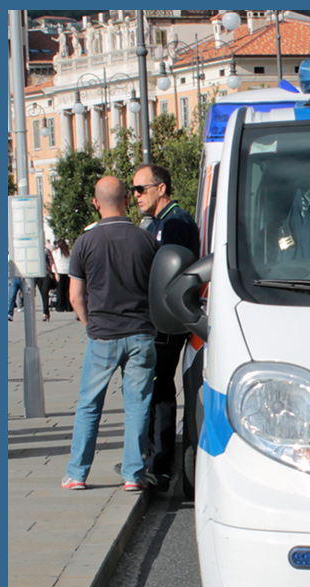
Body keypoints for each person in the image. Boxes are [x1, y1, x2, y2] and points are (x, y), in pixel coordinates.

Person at [62, 176, 161, 492]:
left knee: (90, 405)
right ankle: (133, 475)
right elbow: (157, 289)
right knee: (138, 406)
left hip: (103, 334)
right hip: (141, 334)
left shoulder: (85, 242)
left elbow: (75, 295)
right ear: (127, 201)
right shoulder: (146, 240)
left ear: (95, 203)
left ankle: (77, 474)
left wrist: (89, 323)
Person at [132, 163, 200, 492]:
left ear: (161, 188)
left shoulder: (174, 222)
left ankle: (159, 465)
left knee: (159, 390)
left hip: (168, 320)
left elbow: (170, 274)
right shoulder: (160, 221)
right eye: (133, 190)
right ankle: (148, 458)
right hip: (161, 318)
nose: (136, 197)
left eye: (140, 189)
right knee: (153, 387)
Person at [36, 242, 57, 322]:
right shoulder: (33, 251)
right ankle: (46, 312)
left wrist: (55, 273)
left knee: (45, 292)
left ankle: (45, 313)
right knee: (42, 294)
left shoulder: (46, 251)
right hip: (37, 275)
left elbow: (51, 262)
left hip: (46, 274)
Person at [52, 238, 73, 312]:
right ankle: (69, 306)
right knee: (68, 290)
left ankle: (60, 307)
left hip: (60, 272)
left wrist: (55, 273)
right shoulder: (70, 252)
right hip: (69, 273)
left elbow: (54, 263)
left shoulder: (55, 252)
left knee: (60, 291)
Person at [8, 251, 25, 322]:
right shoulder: (11, 258)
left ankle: (24, 308)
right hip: (15, 278)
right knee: (12, 296)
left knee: (26, 296)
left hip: (23, 278)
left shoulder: (23, 259)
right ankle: (10, 314)